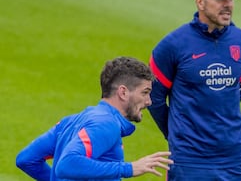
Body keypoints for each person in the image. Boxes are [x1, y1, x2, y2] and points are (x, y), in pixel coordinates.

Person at [148, 0, 241, 180]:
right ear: (200, 2)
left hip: (233, 159)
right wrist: (176, 134)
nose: (228, 4)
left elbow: (238, 90)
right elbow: (154, 97)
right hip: (189, 161)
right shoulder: (172, 45)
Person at [16, 56, 173, 181]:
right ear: (123, 92)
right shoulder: (106, 124)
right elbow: (67, 164)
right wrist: (130, 168)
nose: (149, 102)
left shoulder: (72, 121)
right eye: (145, 93)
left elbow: (27, 159)